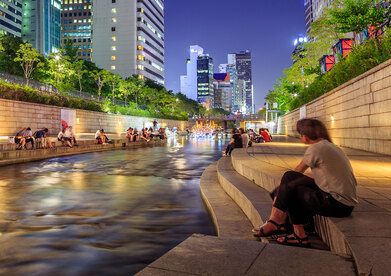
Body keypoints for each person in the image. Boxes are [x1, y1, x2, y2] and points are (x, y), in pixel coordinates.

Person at [253, 119, 358, 248]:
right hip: (345, 205)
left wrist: (281, 193)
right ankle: (279, 223)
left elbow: (298, 170)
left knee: (291, 184)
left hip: (335, 204)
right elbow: (309, 176)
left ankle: (294, 232)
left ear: (304, 136)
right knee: (290, 180)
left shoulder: (316, 148)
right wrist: (280, 191)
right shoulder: (332, 147)